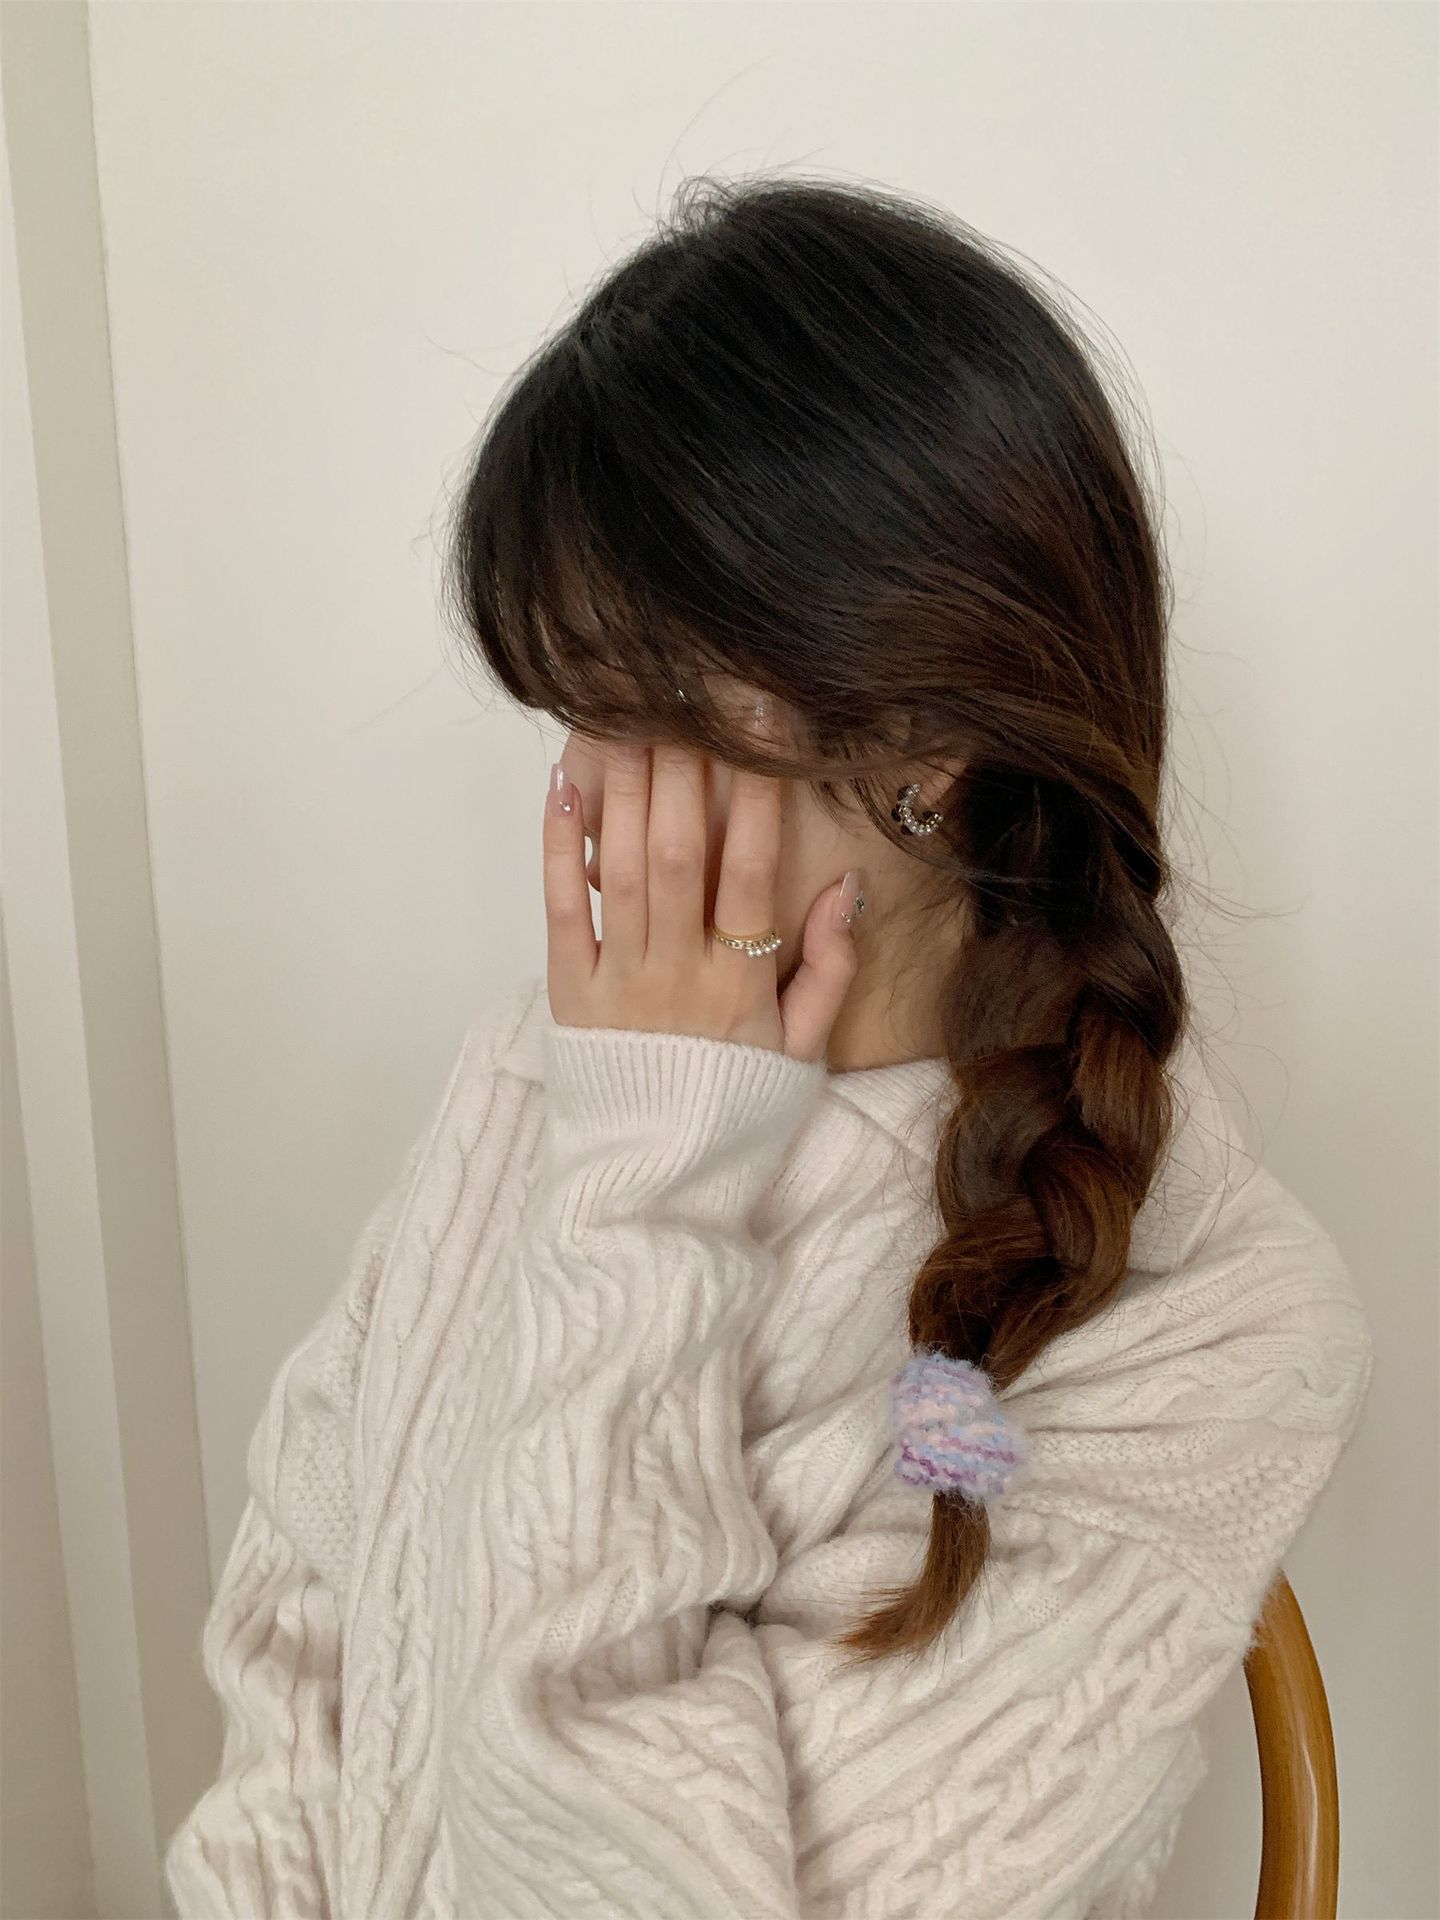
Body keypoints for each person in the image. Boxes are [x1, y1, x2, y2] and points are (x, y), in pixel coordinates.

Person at [164, 176, 1372, 1918]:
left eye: (641, 708)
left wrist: (648, 1190)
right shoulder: (533, 1077)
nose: (584, 795)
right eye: (564, 704)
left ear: (929, 737)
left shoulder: (1206, 1315)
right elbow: (299, 1659)